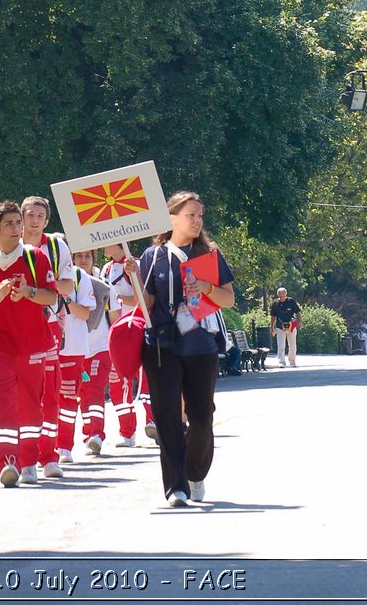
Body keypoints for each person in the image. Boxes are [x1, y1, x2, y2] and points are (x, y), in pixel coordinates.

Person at [124, 190, 235, 507]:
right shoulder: (153, 256)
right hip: (161, 346)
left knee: (202, 416)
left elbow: (228, 299)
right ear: (172, 218)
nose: (198, 221)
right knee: (167, 417)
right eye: (191, 215)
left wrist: (208, 288)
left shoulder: (208, 255)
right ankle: (176, 487)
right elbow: (146, 304)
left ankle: (195, 472)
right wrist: (134, 278)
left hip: (200, 346)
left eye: (200, 215)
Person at [0, 200, 58, 487]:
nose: (17, 228)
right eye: (10, 224)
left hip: (31, 344)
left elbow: (51, 297)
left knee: (31, 405)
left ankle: (29, 459)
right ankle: (7, 462)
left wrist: (29, 292)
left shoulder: (36, 257)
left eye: (19, 222)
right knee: (3, 401)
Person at [21, 194, 74, 478]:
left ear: (47, 220)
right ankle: (24, 457)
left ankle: (49, 457)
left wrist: (44, 283)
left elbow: (66, 286)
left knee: (50, 391)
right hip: (16, 326)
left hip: (49, 322)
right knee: (23, 393)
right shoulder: (9, 244)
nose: (34, 219)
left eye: (39, 216)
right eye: (29, 214)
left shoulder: (56, 247)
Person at [101, 242, 157, 444]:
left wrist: (120, 298)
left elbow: (144, 299)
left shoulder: (136, 264)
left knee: (145, 380)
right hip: (117, 334)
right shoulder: (106, 269)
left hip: (137, 328)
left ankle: (153, 422)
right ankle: (127, 432)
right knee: (118, 384)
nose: (102, 247)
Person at [67, 250, 121, 455]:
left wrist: (117, 351)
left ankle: (97, 435)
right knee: (83, 393)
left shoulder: (104, 286)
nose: (83, 260)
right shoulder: (67, 283)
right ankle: (88, 433)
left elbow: (115, 318)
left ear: (93, 259)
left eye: (87, 256)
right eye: (79, 256)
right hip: (77, 349)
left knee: (96, 390)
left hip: (100, 348)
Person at [56, 255, 96, 462]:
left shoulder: (79, 277)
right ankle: (45, 447)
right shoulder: (37, 272)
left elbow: (85, 314)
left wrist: (66, 298)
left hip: (73, 347)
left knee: (68, 399)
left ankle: (64, 446)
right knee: (44, 399)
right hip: (46, 346)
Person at [270, 287, 302, 367]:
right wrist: (272, 327)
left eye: (284, 296)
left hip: (291, 325)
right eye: (281, 296)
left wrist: (299, 322)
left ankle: (292, 361)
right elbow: (273, 316)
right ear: (278, 295)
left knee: (292, 344)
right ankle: (281, 362)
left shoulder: (291, 301)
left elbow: (298, 312)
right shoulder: (275, 303)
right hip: (280, 326)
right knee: (281, 345)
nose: (282, 298)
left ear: (286, 295)